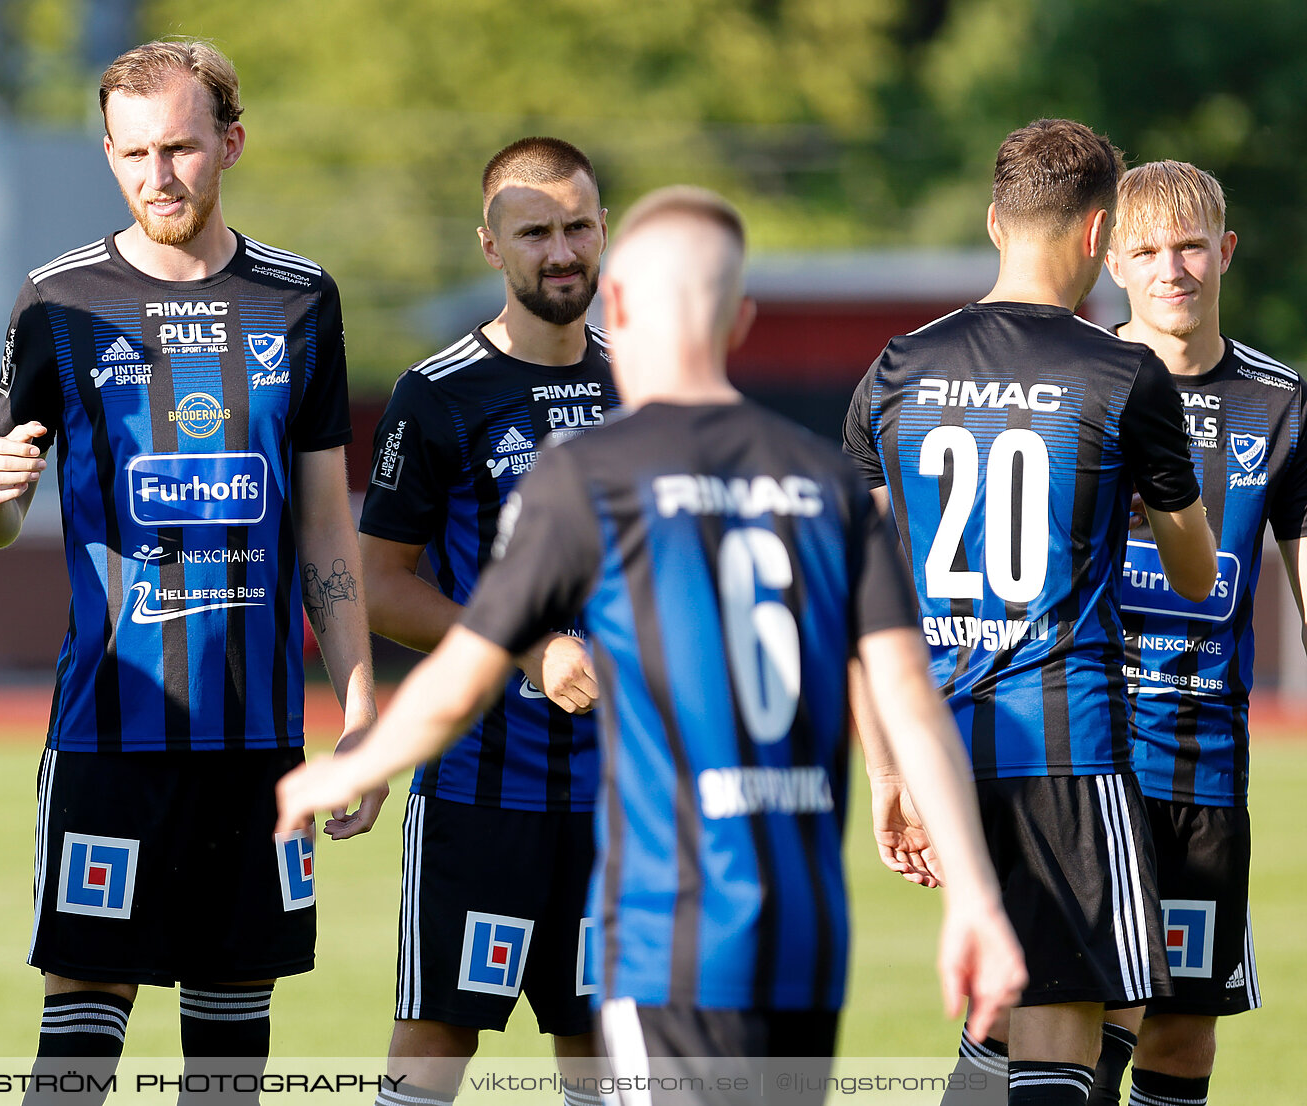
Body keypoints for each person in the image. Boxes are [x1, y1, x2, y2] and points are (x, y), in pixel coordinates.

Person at [279, 186, 1026, 1106]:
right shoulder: (825, 483)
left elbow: (464, 667)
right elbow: (909, 698)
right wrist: (977, 901)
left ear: (619, 303)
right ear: (742, 319)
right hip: (799, 919)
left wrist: (342, 765)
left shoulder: (593, 472)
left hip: (661, 907)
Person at [0, 39, 379, 1102]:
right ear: (109, 154)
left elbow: (328, 525)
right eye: (135, 152)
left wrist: (364, 710)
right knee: (78, 1047)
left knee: (232, 1053)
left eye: (182, 148)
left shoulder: (302, 298)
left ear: (230, 144)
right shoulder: (58, 300)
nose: (159, 176)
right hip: (111, 733)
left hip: (260, 738)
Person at [842, 119, 1220, 1105]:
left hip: (940, 741)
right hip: (1066, 742)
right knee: (1074, 1022)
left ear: (991, 219)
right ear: (1099, 235)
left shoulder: (897, 367)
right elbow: (1193, 570)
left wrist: (884, 766)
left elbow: (855, 586)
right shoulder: (1121, 372)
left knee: (1015, 1008)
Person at [358, 136, 614, 1106]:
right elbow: (379, 583)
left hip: (622, 799)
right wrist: (528, 651)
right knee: (430, 1054)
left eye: (578, 226)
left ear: (604, 231)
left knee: (609, 1058)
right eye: (535, 230)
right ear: (490, 245)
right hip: (478, 788)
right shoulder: (440, 395)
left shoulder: (644, 389)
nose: (560, 250)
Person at [1080, 160, 1307, 1106]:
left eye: (1189, 245)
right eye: (1146, 250)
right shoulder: (1075, 383)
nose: (1171, 267)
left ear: (1226, 252)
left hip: (1208, 759)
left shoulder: (1281, 401)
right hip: (1087, 751)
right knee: (1086, 1018)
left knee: (1182, 1041)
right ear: (1114, 264)